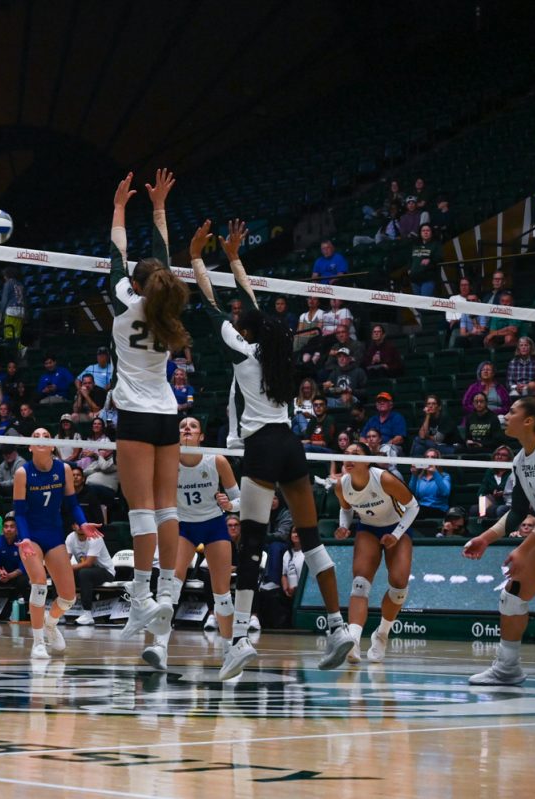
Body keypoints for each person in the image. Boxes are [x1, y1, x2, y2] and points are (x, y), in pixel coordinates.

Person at [189, 218, 354, 680]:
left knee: (253, 544)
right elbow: (257, 307)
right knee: (314, 537)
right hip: (291, 445)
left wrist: (198, 258)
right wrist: (236, 257)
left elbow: (210, 302)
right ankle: (340, 627)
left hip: (261, 449)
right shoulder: (279, 349)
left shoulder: (243, 351)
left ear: (248, 331)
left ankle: (239, 639)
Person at [107, 170, 192, 646]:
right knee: (165, 508)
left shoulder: (125, 303)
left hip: (137, 414)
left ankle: (141, 600)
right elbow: (159, 259)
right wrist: (159, 207)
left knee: (140, 509)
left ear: (137, 284)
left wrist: (120, 205)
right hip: (167, 412)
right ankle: (163, 595)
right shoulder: (169, 309)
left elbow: (117, 252)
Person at [463, 397, 535, 685]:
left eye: (512, 411)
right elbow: (519, 512)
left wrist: (524, 549)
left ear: (529, 421)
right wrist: (485, 538)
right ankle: (508, 668)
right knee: (512, 595)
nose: (505, 415)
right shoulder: (521, 459)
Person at [15, 428, 101, 660]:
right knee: (39, 585)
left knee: (68, 597)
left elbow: (73, 504)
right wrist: (23, 538)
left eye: (46, 435)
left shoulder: (63, 469)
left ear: (52, 445)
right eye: (36, 436)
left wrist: (82, 524)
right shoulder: (23, 473)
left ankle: (50, 623)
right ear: (30, 447)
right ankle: (38, 642)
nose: (41, 438)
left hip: (54, 535)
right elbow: (20, 513)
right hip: (30, 536)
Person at [165, 417, 241, 669]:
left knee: (222, 592)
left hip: (214, 524)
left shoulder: (217, 460)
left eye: (193, 426)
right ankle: (160, 643)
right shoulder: (168, 460)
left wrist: (230, 506)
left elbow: (239, 501)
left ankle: (230, 648)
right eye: (183, 426)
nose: (187, 428)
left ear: (201, 436)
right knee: (171, 584)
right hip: (184, 526)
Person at [333, 443, 419, 662]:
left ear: (368, 460)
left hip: (397, 527)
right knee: (360, 583)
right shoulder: (341, 485)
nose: (349, 458)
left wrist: (397, 535)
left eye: (356, 454)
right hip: (368, 529)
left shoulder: (384, 479)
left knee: (399, 586)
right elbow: (346, 509)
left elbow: (414, 506)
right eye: (347, 454)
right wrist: (344, 526)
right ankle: (352, 642)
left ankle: (381, 634)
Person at [67, 523, 115, 626]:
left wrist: (68, 568)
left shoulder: (95, 537)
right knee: (59, 574)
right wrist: (62, 569)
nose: (79, 526)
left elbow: (89, 563)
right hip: (85, 571)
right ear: (72, 526)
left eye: (82, 524)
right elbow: (66, 560)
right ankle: (59, 614)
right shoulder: (70, 537)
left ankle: (87, 614)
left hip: (106, 571)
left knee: (85, 573)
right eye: (77, 524)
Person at [408, 449, 452, 519]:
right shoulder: (420, 477)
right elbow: (411, 495)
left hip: (438, 509)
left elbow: (445, 493)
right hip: (421, 509)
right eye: (427, 457)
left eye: (433, 457)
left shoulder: (445, 476)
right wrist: (414, 475)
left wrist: (435, 473)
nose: (429, 459)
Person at [475, 445, 514, 521]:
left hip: (508, 502)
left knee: (500, 510)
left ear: (509, 459)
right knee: (475, 509)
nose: (499, 457)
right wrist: (487, 496)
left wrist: (502, 492)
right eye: (497, 454)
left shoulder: (512, 472)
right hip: (492, 501)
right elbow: (482, 490)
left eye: (503, 455)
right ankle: (483, 525)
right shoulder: (490, 472)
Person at [361, 392, 407, 456]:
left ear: (391, 405)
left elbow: (399, 438)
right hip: (373, 447)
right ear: (376, 406)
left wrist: (382, 447)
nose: (381, 403)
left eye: (385, 401)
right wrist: (367, 445)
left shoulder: (397, 418)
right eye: (379, 402)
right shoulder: (372, 420)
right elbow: (362, 437)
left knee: (387, 449)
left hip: (392, 447)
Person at [408, 223, 441, 297]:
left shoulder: (436, 244)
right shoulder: (415, 245)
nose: (425, 232)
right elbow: (410, 259)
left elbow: (439, 257)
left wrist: (430, 260)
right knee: (418, 305)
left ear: (431, 232)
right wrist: (409, 269)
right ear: (420, 233)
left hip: (428, 279)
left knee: (425, 304)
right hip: (414, 278)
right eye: (423, 231)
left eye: (428, 230)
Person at [0, 266, 27, 349]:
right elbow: (25, 300)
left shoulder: (8, 284)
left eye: (4, 275)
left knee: (9, 334)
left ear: (7, 275)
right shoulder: (20, 284)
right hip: (21, 311)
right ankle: (19, 350)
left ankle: (20, 349)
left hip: (11, 311)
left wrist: (1, 314)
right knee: (17, 334)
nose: (4, 277)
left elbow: (4, 300)